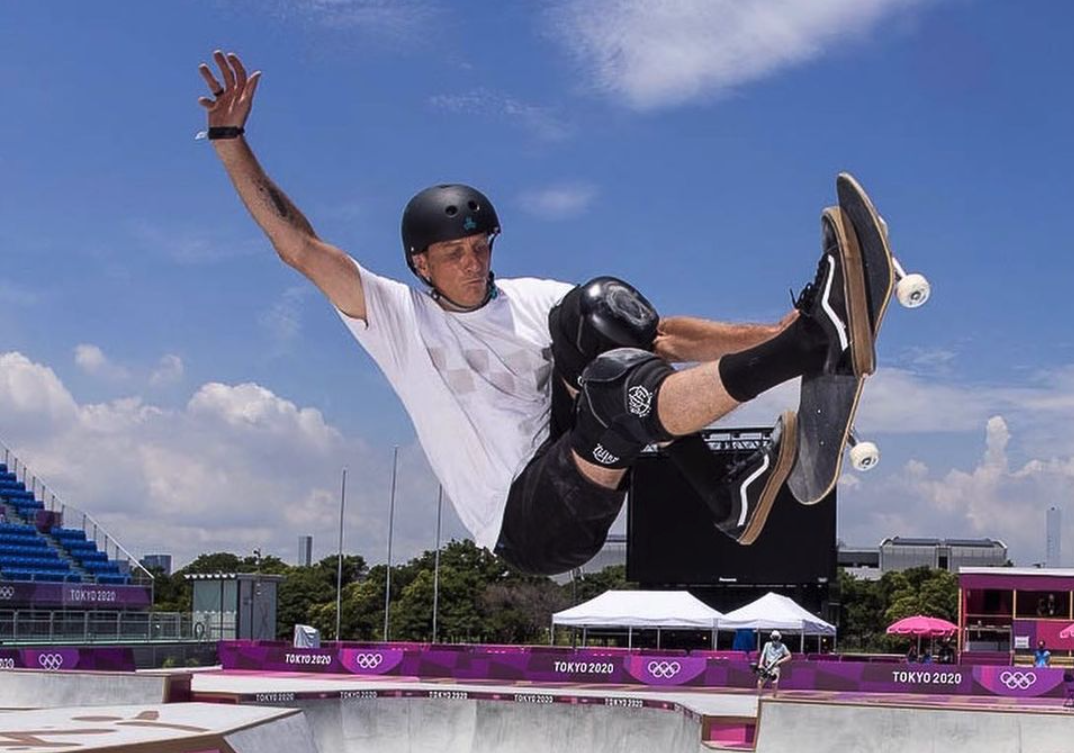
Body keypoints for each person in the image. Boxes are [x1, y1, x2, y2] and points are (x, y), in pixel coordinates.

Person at [197, 51, 872, 576]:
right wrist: (231, 141)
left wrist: (767, 329)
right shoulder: (397, 319)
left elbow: (662, 334)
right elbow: (301, 248)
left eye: (481, 247)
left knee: (603, 310)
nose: (473, 263)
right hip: (526, 526)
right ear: (421, 264)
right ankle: (814, 343)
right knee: (617, 394)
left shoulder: (526, 297)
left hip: (566, 456)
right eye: (455, 253)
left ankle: (731, 490)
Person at [756, 631, 793, 697]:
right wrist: (760, 664)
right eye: (774, 637)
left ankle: (774, 697)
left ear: (778, 638)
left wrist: (779, 661)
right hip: (767, 667)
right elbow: (763, 655)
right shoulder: (767, 644)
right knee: (760, 682)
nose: (775, 639)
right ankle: (759, 698)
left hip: (775, 667)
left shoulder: (782, 646)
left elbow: (789, 656)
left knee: (774, 683)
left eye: (776, 637)